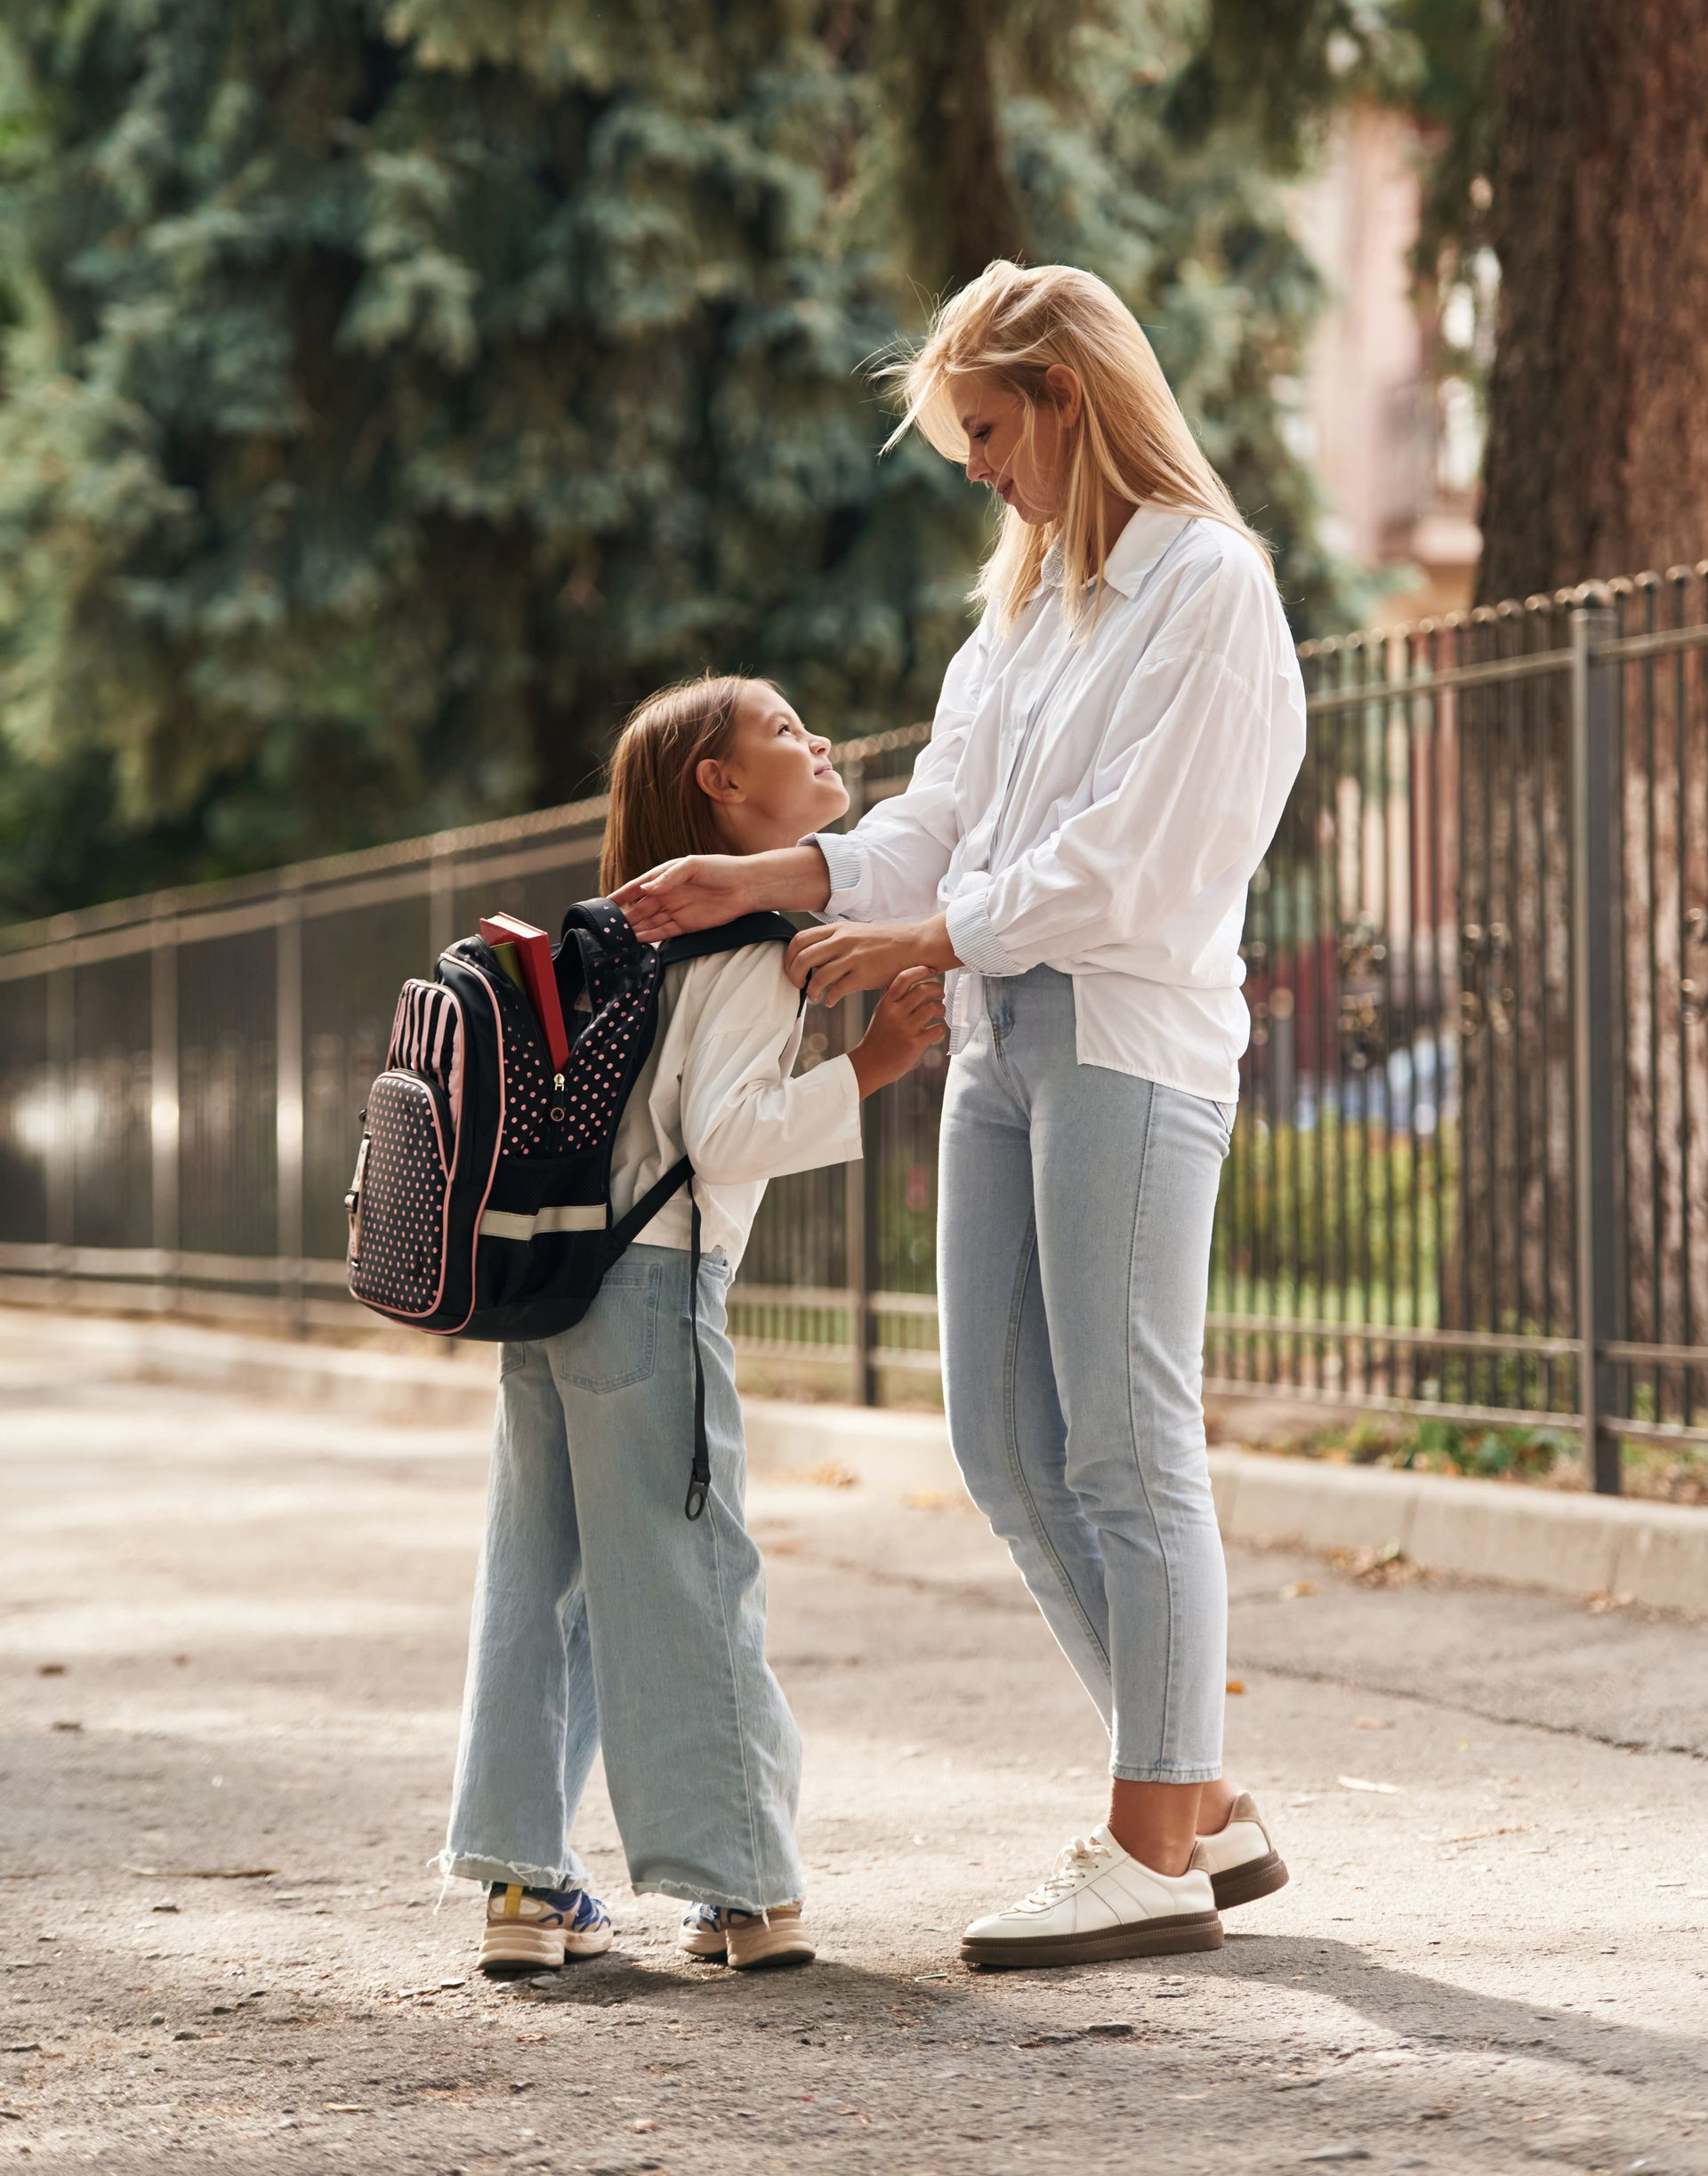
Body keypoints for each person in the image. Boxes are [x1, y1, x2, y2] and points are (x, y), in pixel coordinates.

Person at [613, 261, 1307, 1969]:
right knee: (1005, 1442)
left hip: (1127, 1037)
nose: (979, 468)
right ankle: (1201, 1801)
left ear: (1070, 395)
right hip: (1002, 1037)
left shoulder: (1207, 587)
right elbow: (940, 816)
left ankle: (1154, 1841)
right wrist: (762, 881)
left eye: (989, 431)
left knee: (1129, 1440)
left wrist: (930, 936)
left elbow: (1143, 860)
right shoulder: (1024, 609)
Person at [437, 674, 947, 1976]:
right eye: (783, 730)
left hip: (547, 1293)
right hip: (654, 1286)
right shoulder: (747, 938)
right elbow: (725, 1135)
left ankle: (523, 1883)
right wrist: (875, 1065)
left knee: (538, 1586)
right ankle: (747, 1888)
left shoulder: (626, 939)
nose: (818, 739)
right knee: (688, 1574)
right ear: (720, 788)